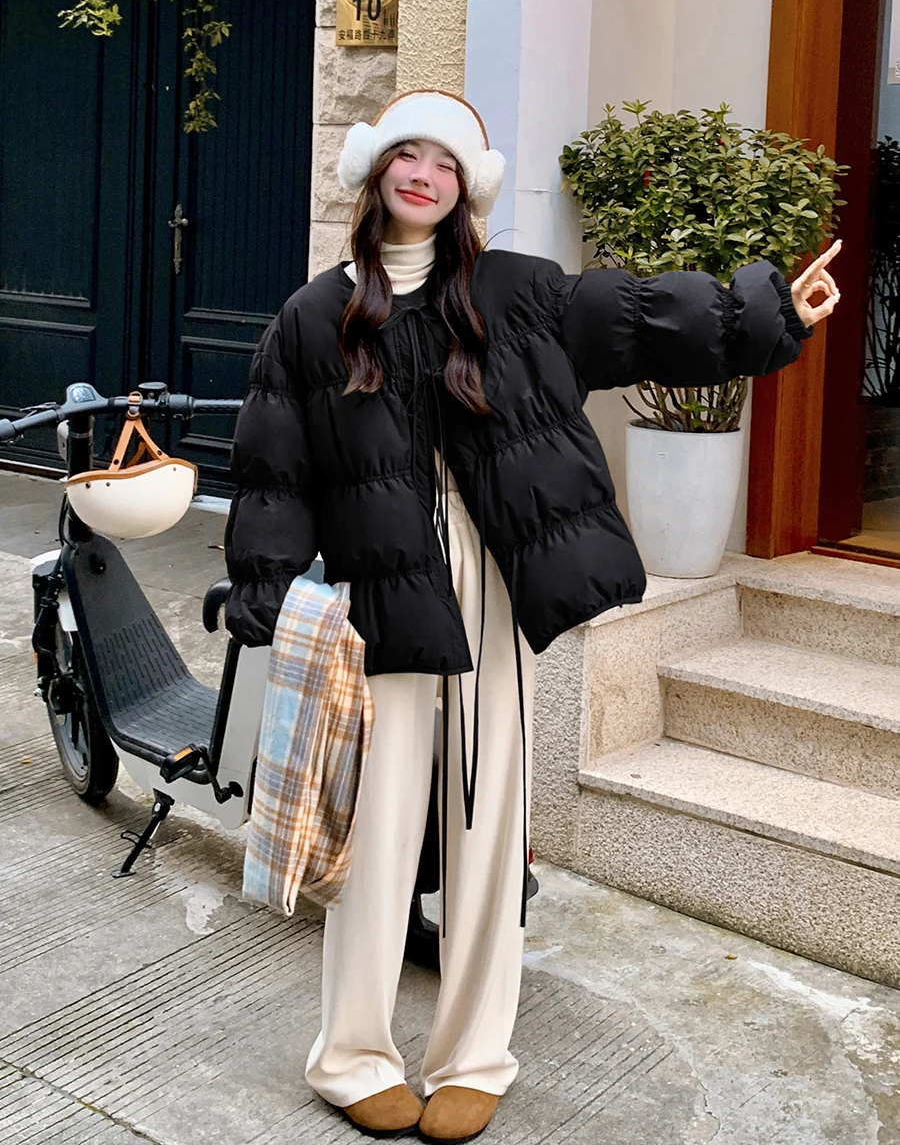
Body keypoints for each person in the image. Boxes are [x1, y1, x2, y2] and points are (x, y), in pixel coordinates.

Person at [223, 89, 841, 1144]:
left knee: (485, 816)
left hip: (499, 575)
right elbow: (275, 464)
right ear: (375, 175)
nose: (422, 174)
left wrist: (766, 312)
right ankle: (352, 1055)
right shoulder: (314, 315)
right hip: (389, 580)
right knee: (379, 828)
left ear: (466, 188)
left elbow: (638, 313)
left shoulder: (514, 291)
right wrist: (263, 581)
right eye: (405, 156)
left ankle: (474, 1054)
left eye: (445, 162)